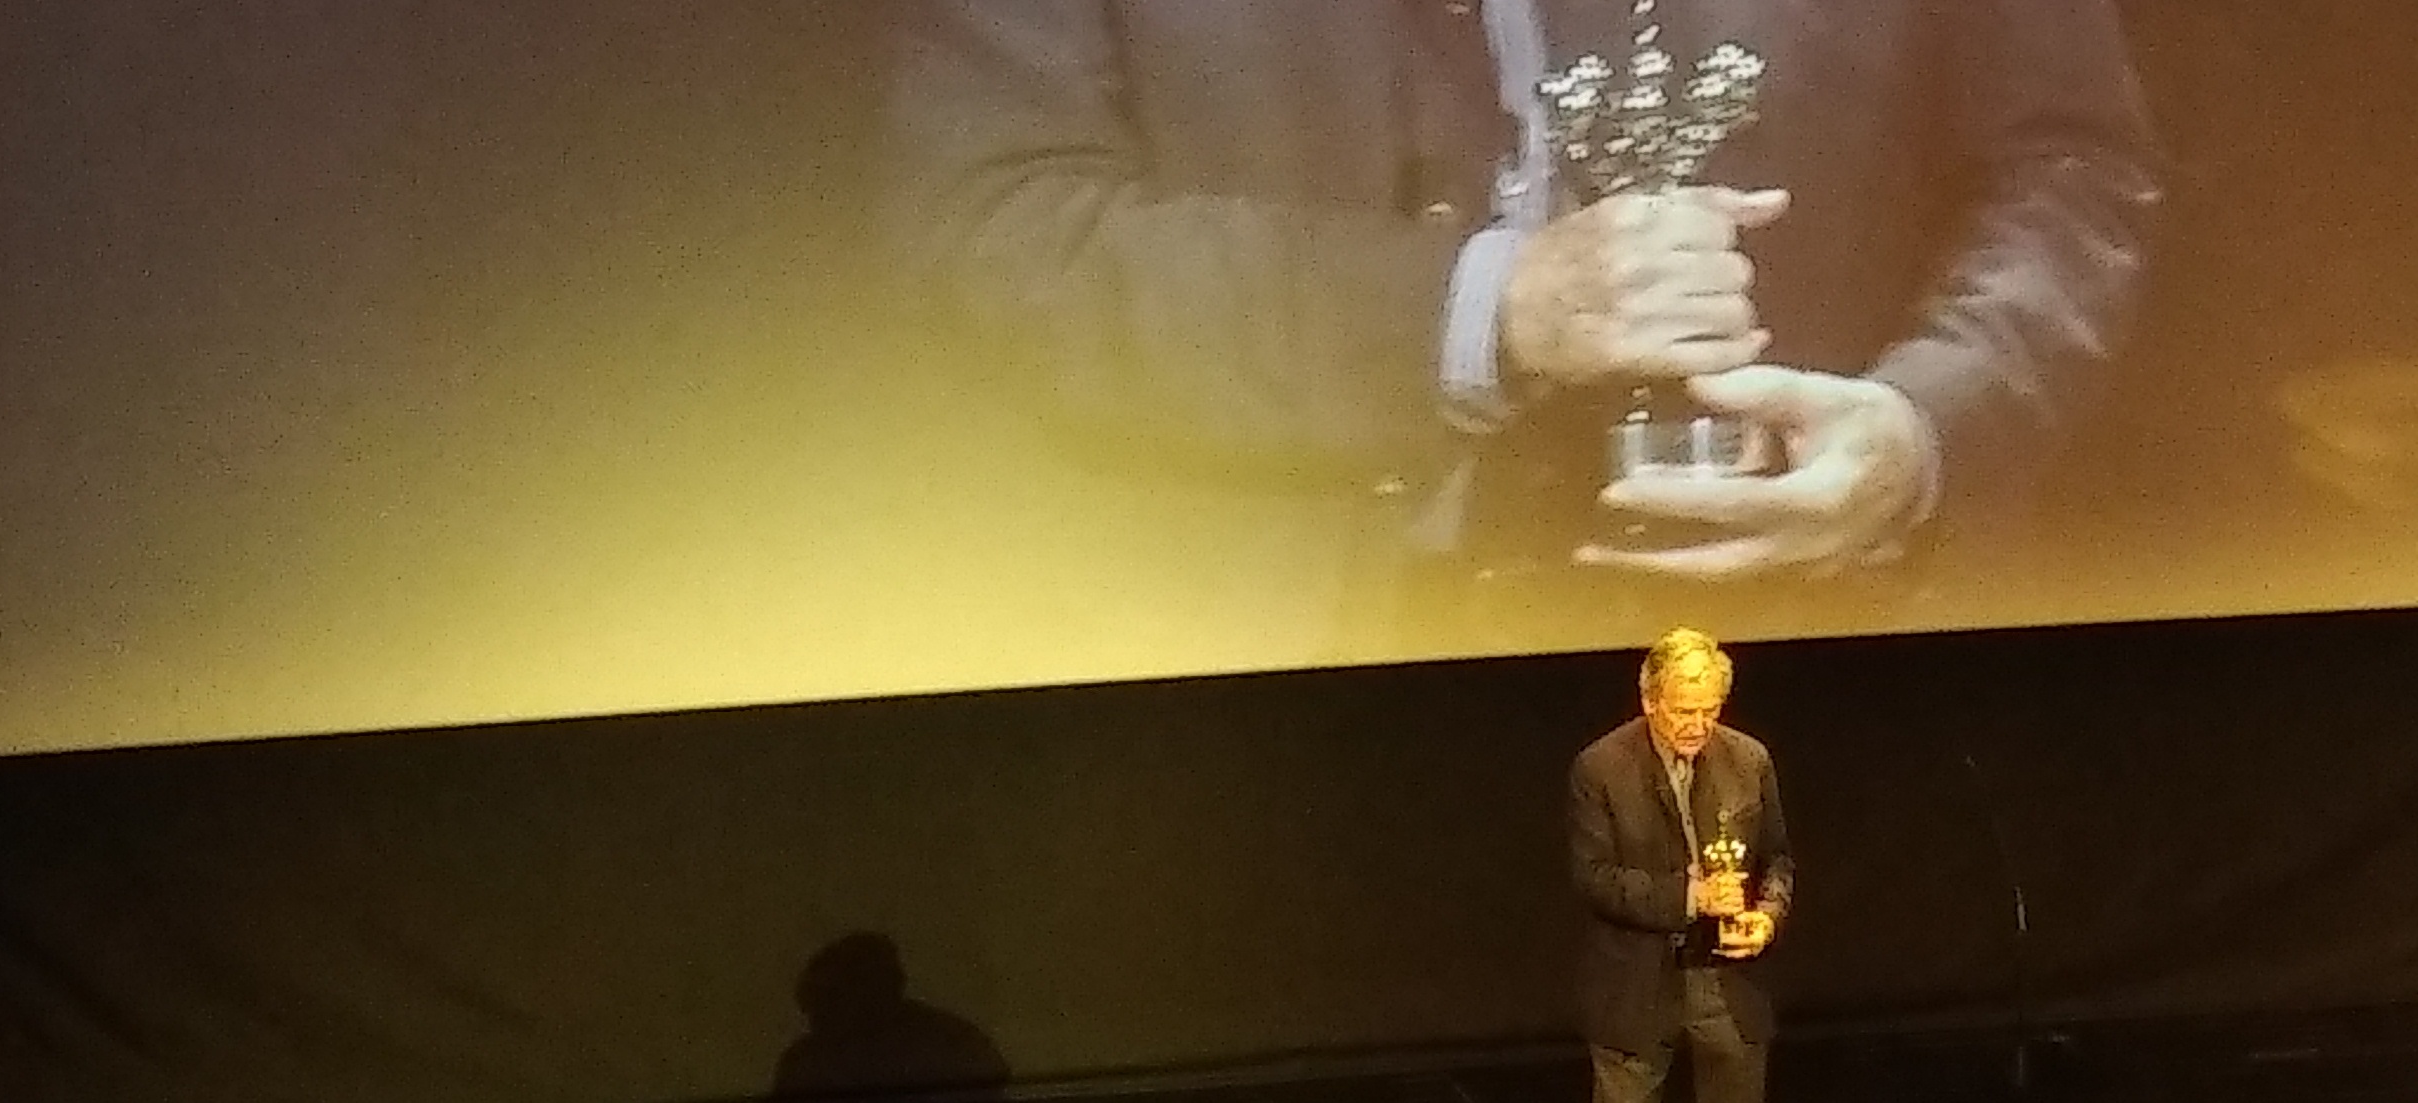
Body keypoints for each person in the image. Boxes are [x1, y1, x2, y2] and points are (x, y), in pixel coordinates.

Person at [883, 0, 2162, 662]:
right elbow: (1000, 233)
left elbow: (2071, 169)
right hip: (1246, 713)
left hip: (1781, 669)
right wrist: (1485, 310)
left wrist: (1924, 428)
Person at [1565, 627, 1793, 1103]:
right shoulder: (1601, 767)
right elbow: (1595, 879)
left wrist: (1767, 914)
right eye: (1681, 711)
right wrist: (1688, 896)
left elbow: (1779, 859)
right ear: (1648, 697)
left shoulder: (1749, 759)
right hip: (1637, 986)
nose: (1696, 726)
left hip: (1728, 983)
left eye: (1709, 710)